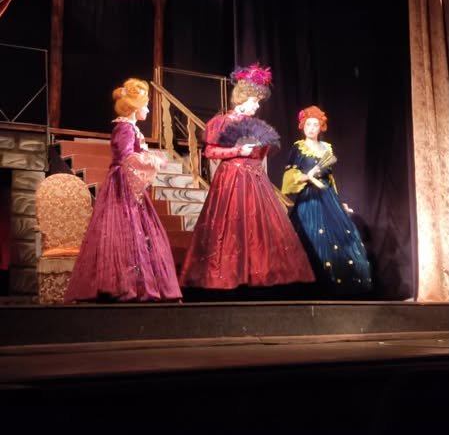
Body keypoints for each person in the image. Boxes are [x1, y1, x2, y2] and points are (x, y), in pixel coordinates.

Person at [179, 63, 315, 292]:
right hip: (232, 178)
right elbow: (210, 151)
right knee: (232, 227)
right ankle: (229, 275)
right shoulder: (223, 122)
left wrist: (263, 147)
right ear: (242, 100)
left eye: (258, 101)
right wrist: (236, 151)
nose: (257, 105)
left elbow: (260, 154)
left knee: (259, 229)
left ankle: (259, 274)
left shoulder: (256, 126)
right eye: (254, 101)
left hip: (256, 180)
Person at [64, 78, 182, 303]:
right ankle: (123, 284)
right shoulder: (125, 128)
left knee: (138, 230)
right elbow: (127, 157)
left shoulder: (130, 128)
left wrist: (149, 157)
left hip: (128, 182)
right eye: (146, 105)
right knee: (124, 230)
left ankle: (137, 283)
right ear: (136, 107)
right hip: (122, 184)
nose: (148, 110)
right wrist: (153, 161)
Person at [281, 105, 373, 297]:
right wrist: (308, 175)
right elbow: (289, 176)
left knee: (339, 240)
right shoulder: (298, 147)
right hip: (309, 197)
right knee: (310, 236)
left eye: (315, 124)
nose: (311, 128)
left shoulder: (327, 148)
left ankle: (337, 287)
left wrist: (339, 202)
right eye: (308, 124)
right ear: (303, 125)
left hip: (327, 196)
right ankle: (311, 287)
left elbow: (330, 178)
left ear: (321, 127)